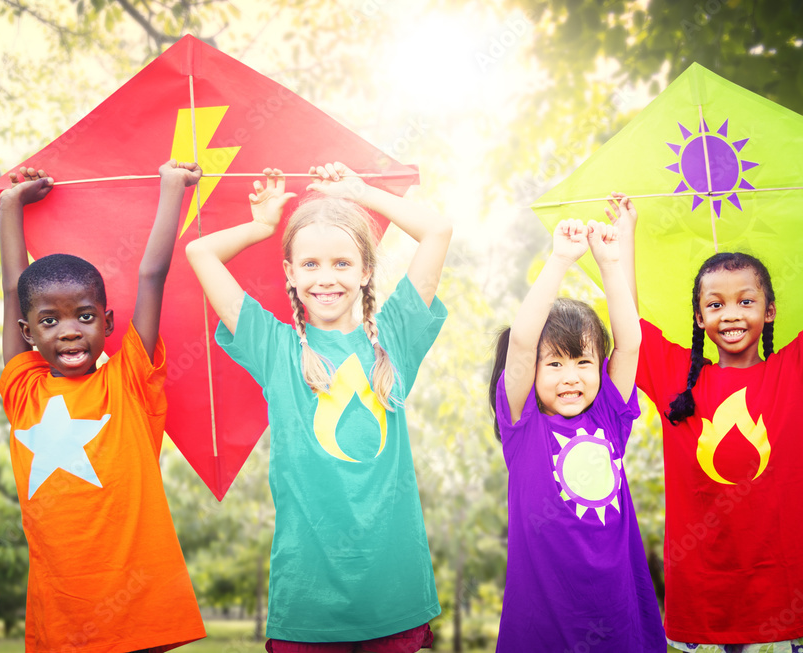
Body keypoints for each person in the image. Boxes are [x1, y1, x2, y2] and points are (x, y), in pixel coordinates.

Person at [185, 162, 451, 650]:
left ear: (366, 270)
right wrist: (263, 226)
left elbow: (436, 230)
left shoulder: (395, 339)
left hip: (393, 589)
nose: (326, 279)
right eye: (310, 264)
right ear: (289, 271)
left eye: (342, 263)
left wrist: (359, 192)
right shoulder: (274, 347)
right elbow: (199, 251)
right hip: (308, 596)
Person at [0, 163, 207, 653]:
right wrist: (11, 208)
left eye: (85, 316)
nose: (70, 330)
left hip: (138, 598)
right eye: (49, 321)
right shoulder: (23, 388)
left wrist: (171, 188)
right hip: (63, 605)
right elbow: (13, 290)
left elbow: (151, 273)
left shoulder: (129, 379)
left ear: (108, 322)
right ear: (27, 334)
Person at [610, 194, 803, 653]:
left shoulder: (791, 371)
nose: (731, 314)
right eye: (715, 305)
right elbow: (627, 329)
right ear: (699, 317)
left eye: (746, 301)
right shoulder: (679, 381)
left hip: (785, 603)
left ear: (769, 311)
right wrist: (624, 236)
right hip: (701, 607)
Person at [488, 218, 665, 652]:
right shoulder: (524, 425)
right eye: (555, 364)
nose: (571, 377)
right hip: (544, 616)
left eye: (584, 363)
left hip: (615, 609)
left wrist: (610, 264)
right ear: (533, 371)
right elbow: (524, 343)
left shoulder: (609, 414)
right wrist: (560, 259)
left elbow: (630, 344)